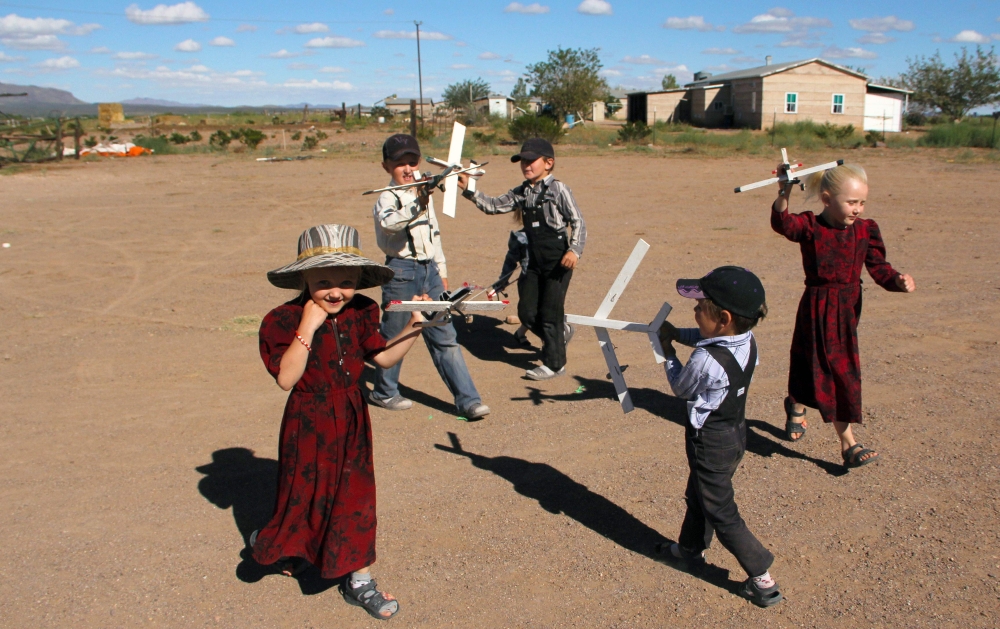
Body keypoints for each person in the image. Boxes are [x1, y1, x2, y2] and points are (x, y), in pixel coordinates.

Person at [253, 224, 428, 620]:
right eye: (325, 281)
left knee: (356, 497)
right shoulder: (281, 321)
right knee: (305, 492)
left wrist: (418, 324)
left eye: (347, 281)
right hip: (306, 420)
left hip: (350, 417)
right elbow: (286, 379)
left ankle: (359, 580)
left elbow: (382, 359)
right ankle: (290, 547)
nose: (337, 291)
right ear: (304, 278)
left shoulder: (362, 311)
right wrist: (308, 327)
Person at [771, 163, 915, 468]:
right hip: (818, 306)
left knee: (814, 362)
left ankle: (796, 402)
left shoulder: (865, 230)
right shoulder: (811, 226)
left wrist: (898, 280)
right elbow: (784, 224)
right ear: (826, 199)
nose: (858, 209)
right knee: (834, 370)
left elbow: (879, 268)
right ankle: (848, 444)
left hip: (848, 308)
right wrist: (784, 190)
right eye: (851, 202)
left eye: (862, 202)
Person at [658, 266, 781, 608]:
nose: (695, 311)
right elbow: (706, 338)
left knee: (721, 510)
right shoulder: (745, 339)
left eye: (701, 307)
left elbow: (681, 387)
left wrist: (667, 350)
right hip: (735, 434)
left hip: (709, 441)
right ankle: (689, 548)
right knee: (700, 492)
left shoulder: (704, 358)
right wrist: (680, 334)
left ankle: (762, 578)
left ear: (724, 317)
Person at [370, 134, 490, 420]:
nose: (408, 169)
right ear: (386, 166)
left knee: (445, 336)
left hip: (430, 272)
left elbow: (433, 232)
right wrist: (417, 202)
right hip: (400, 273)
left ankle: (468, 401)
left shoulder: (424, 192)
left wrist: (441, 270)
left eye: (412, 162)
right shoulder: (386, 198)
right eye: (400, 164)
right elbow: (389, 224)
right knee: (394, 336)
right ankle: (384, 392)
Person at [457, 137, 586, 380]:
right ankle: (560, 334)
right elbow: (493, 206)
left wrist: (574, 250)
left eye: (531, 160)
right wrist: (468, 188)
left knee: (550, 314)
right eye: (522, 160)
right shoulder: (522, 191)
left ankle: (555, 364)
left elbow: (578, 221)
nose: (526, 165)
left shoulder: (559, 189)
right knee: (527, 313)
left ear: (549, 163)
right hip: (533, 260)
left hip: (558, 260)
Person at [486, 229, 531, 346]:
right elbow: (510, 262)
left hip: (549, 280)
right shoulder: (520, 237)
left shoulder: (553, 232)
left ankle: (521, 333)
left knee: (545, 312)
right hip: (528, 283)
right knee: (531, 313)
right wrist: (502, 282)